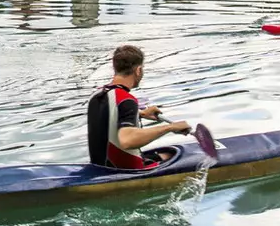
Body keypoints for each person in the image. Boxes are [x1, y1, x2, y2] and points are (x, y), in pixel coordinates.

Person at [87, 44, 216, 169]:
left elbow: (108, 116)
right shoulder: (127, 100)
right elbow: (127, 140)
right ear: (138, 70)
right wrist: (170, 127)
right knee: (185, 156)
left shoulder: (99, 94)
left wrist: (141, 114)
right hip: (127, 170)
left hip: (100, 166)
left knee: (166, 154)